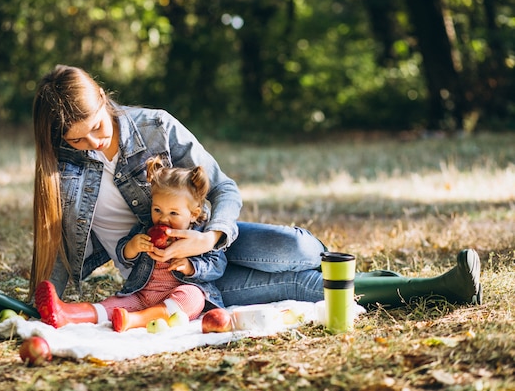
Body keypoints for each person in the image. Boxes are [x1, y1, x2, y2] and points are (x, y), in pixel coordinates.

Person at [28, 64, 482, 325]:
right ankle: (438, 286)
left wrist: (211, 238)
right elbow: (58, 256)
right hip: (166, 279)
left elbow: (223, 187)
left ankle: (383, 278)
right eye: (76, 140)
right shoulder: (61, 175)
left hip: (211, 241)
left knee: (299, 247)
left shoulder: (156, 126)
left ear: (105, 101)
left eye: (97, 130)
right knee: (303, 286)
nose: (92, 145)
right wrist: (43, 304)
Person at [35, 156, 226, 331]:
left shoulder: (199, 235)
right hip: (142, 294)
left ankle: (133, 321)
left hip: (178, 292)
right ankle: (66, 313)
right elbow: (123, 255)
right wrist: (132, 247)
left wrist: (191, 267)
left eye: (173, 213)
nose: (163, 219)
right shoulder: (146, 230)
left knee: (193, 298)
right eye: (157, 210)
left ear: (193, 213)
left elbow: (218, 264)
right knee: (109, 305)